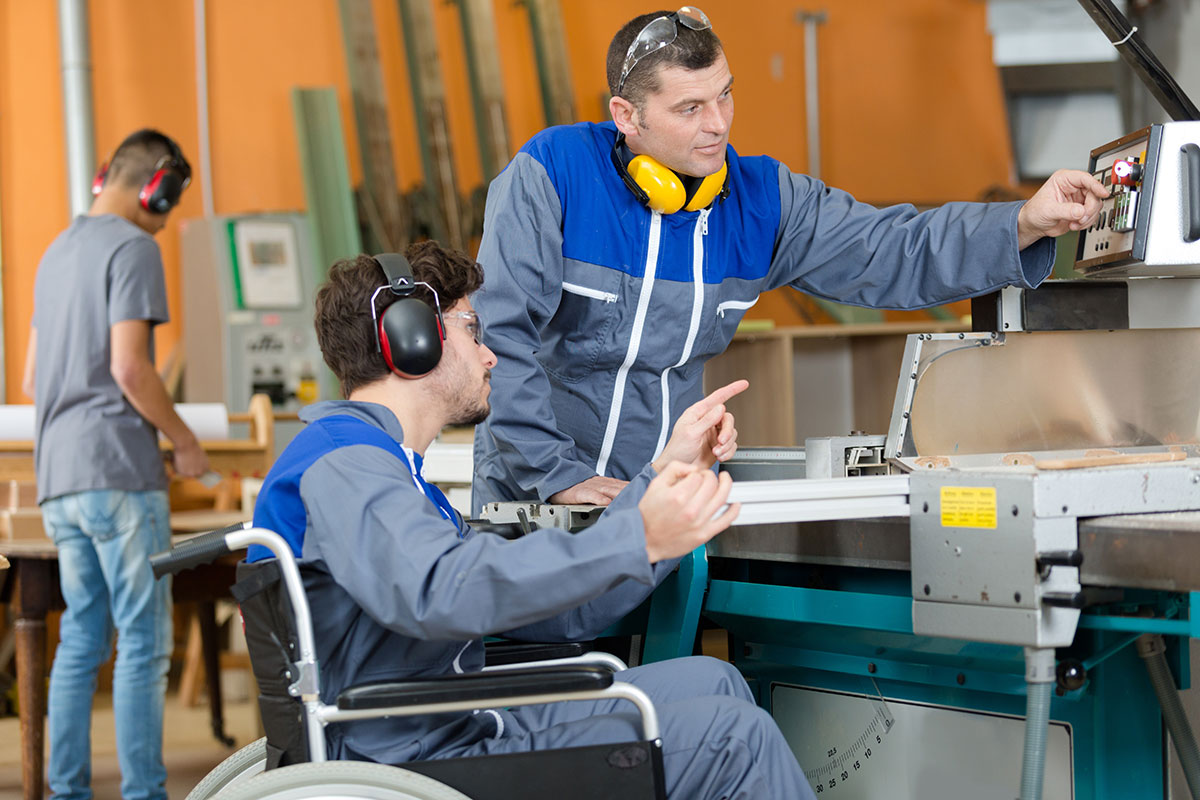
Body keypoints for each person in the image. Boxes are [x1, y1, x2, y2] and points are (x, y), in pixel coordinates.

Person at [470, 6, 1109, 512]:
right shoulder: (551, 176)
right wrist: (554, 480)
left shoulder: (762, 200)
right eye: (689, 108)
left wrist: (1023, 222)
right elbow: (501, 339)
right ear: (626, 117)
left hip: (661, 506)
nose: (717, 124)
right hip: (535, 512)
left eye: (725, 96)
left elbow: (891, 248)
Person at [250, 240, 819, 799]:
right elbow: (443, 587)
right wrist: (637, 535)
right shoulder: (346, 464)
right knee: (734, 741)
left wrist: (664, 475)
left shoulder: (391, 469)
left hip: (453, 720)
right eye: (473, 329)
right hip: (415, 757)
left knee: (712, 678)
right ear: (410, 340)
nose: (490, 354)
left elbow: (545, 618)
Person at [23, 128, 209, 800]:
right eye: (170, 202)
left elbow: (31, 375)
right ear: (158, 185)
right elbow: (130, 368)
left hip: (60, 478)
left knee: (81, 637)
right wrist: (184, 440)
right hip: (118, 476)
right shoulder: (132, 248)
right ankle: (142, 795)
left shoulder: (55, 252)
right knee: (143, 642)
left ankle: (67, 792)